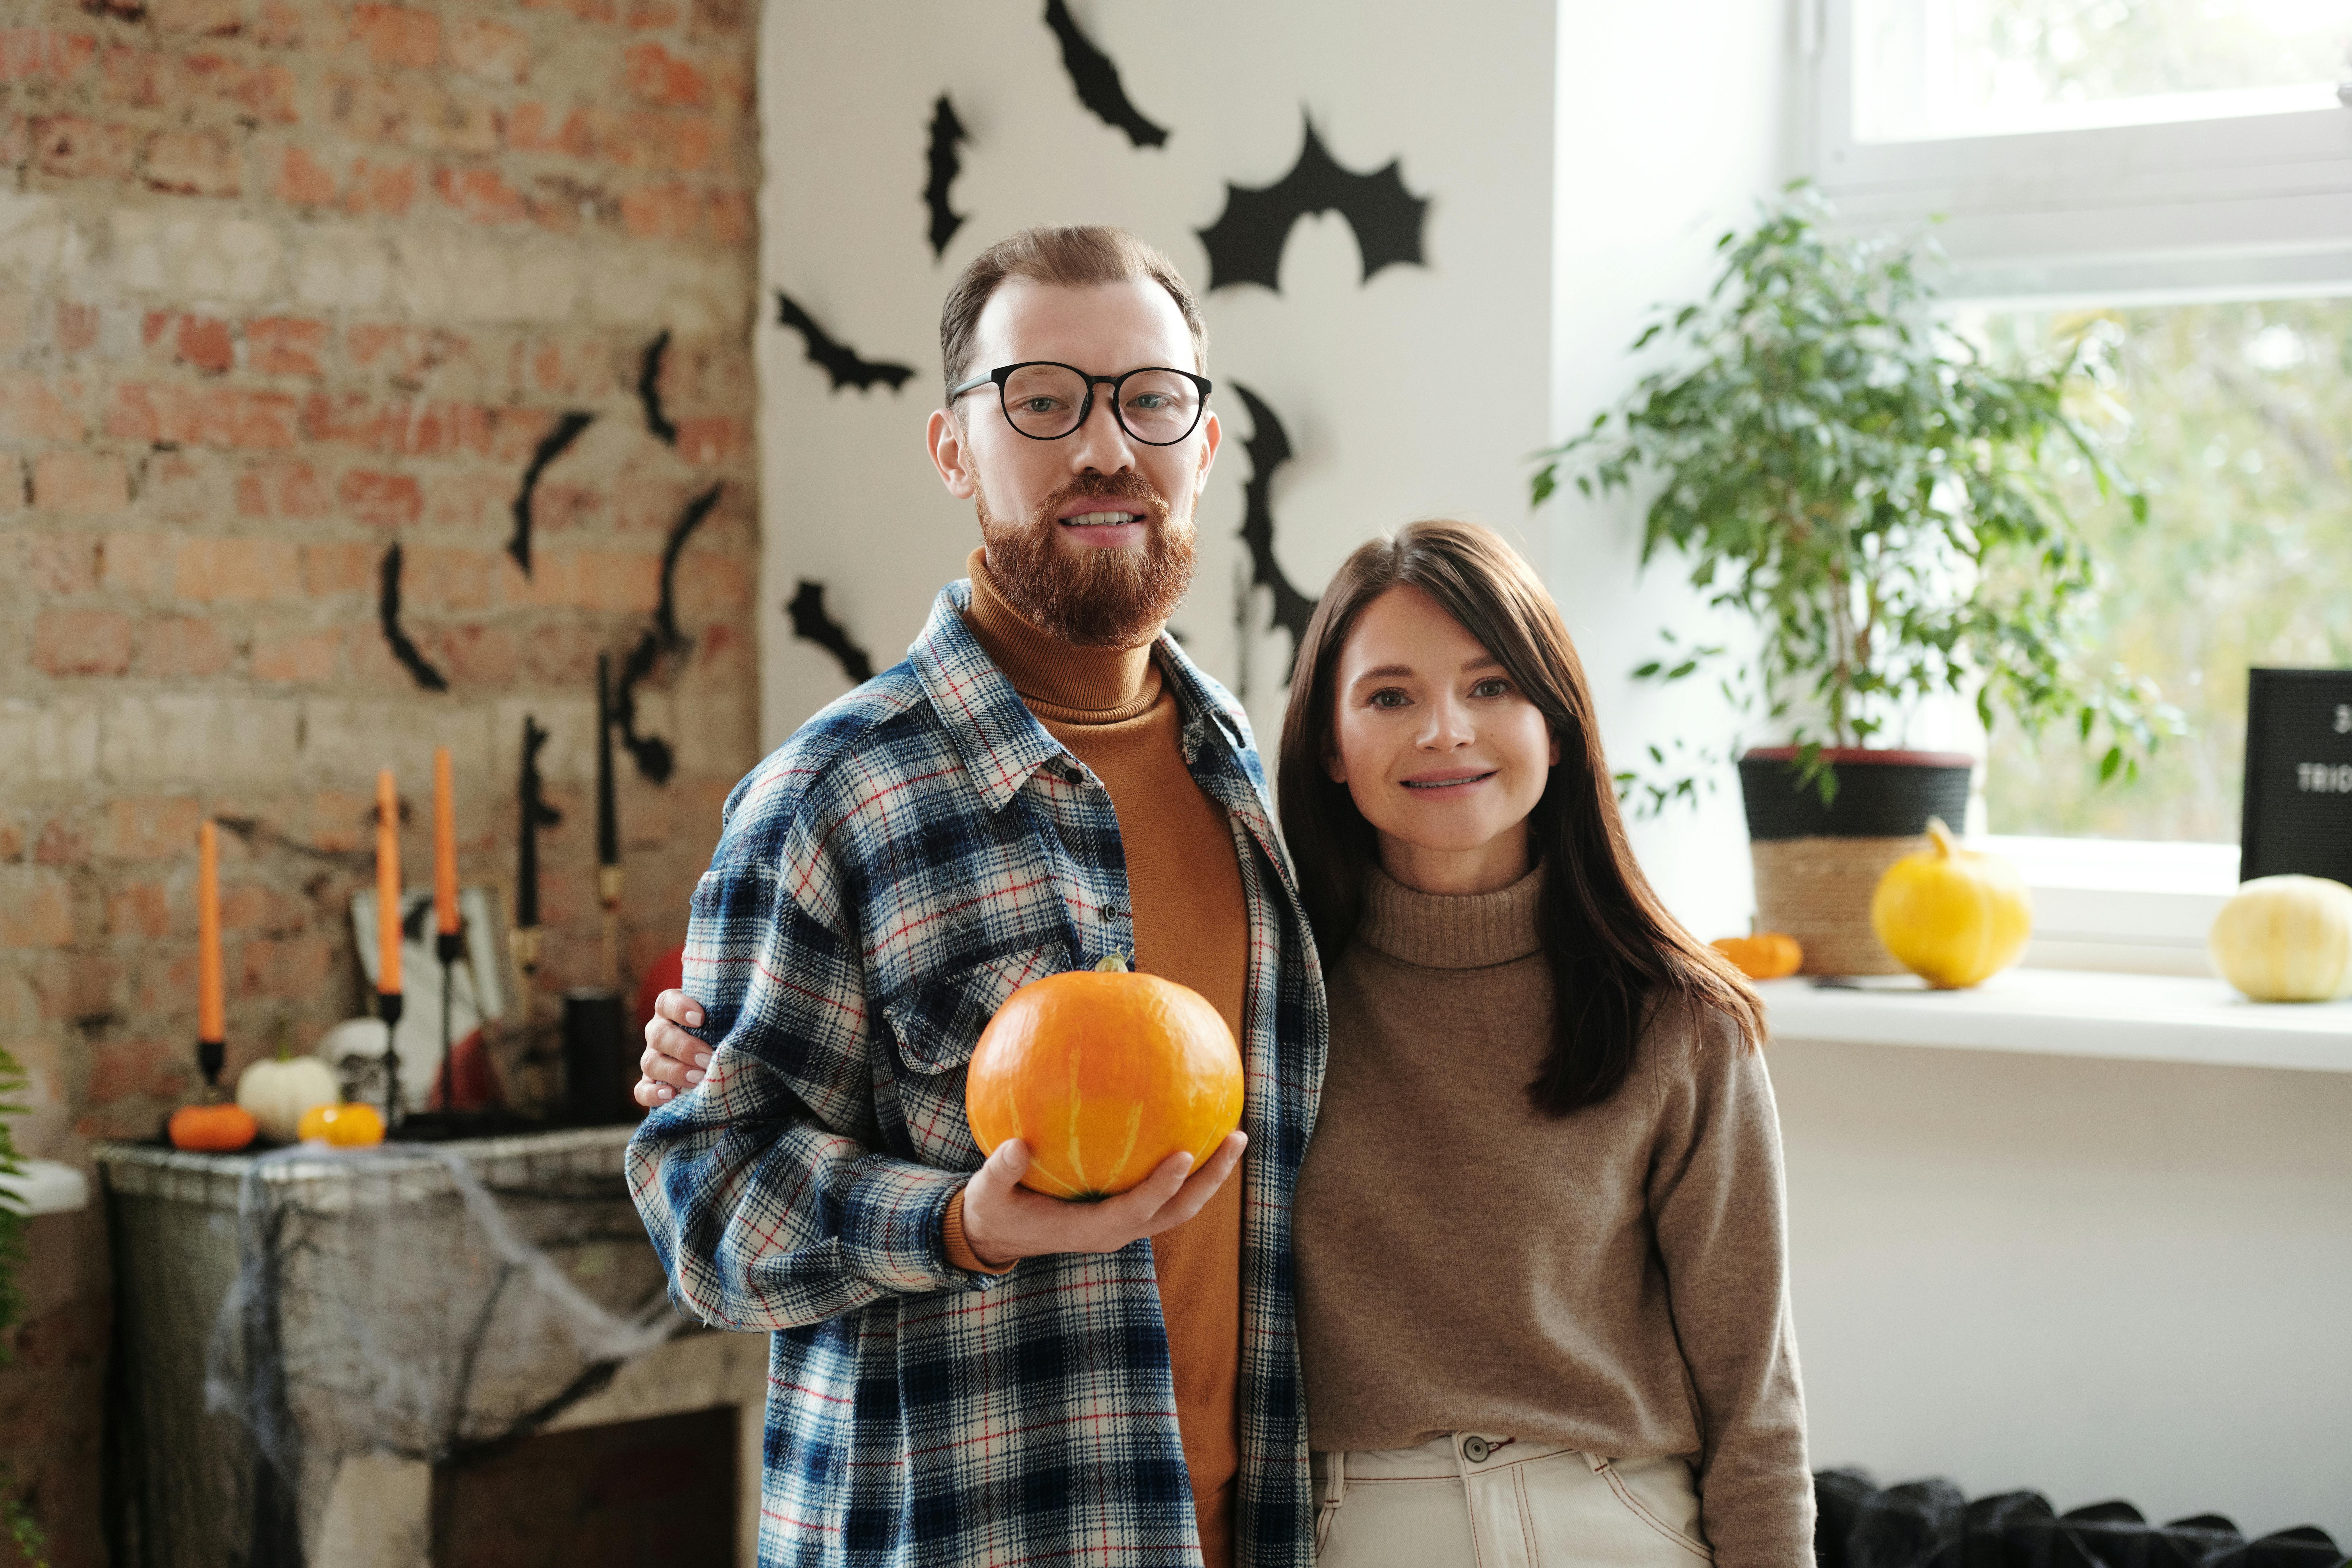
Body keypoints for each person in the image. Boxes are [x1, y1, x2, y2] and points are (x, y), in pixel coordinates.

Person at [644, 521, 1814, 1568]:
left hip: (1618, 1526)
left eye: (1493, 684)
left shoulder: (1681, 1022)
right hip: (1348, 1526)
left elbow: (1753, 1396)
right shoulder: (1274, 988)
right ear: (1329, 749)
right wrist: (719, 1064)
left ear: (1557, 727)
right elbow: (812, 1131)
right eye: (1390, 696)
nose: (1446, 730)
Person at [625, 225, 1326, 1568]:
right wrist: (956, 1224)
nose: (1105, 449)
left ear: (1206, 445)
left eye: (1149, 401)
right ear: (954, 447)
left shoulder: (1236, 760)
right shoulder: (830, 793)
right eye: (1043, 401)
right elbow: (703, 1200)